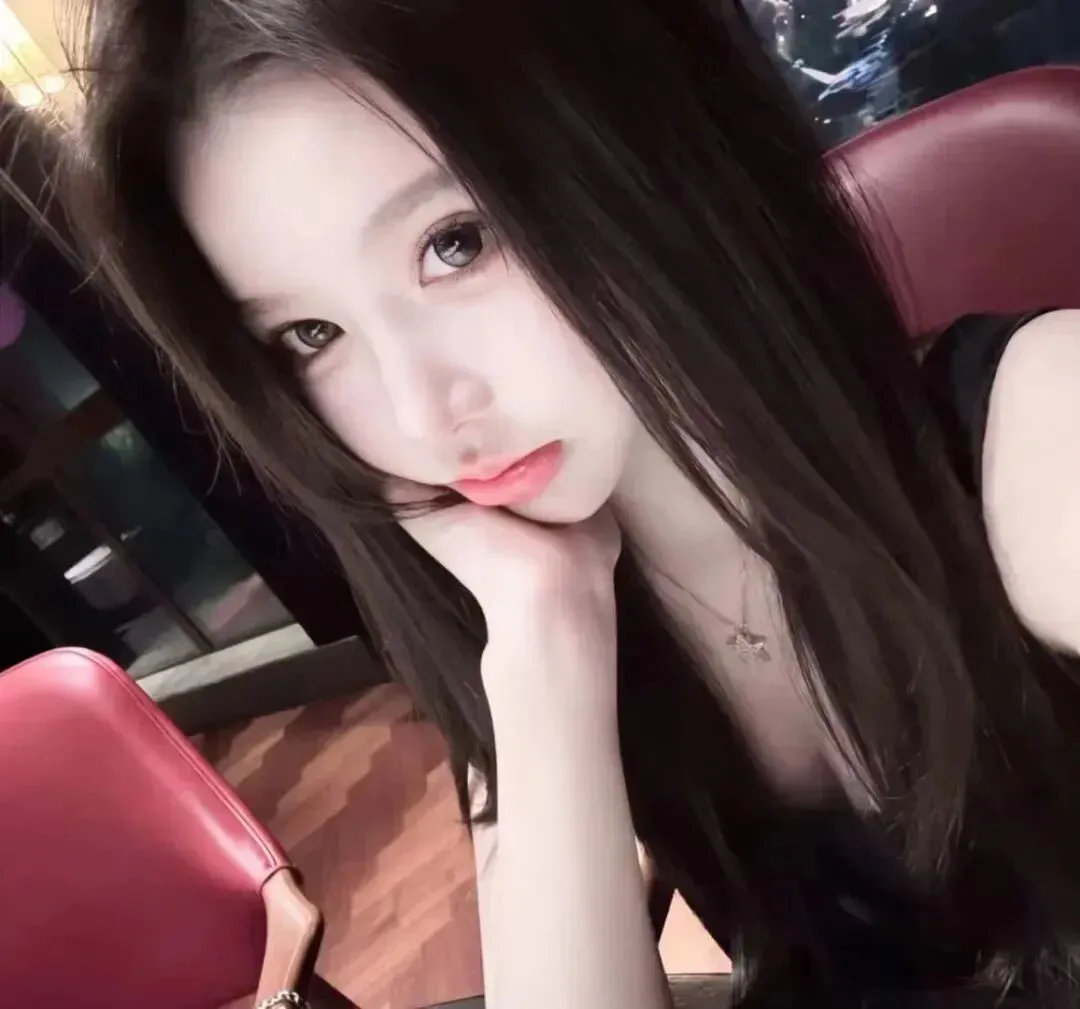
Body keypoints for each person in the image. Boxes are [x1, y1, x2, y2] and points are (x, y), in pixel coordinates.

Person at [49, 0, 1080, 1005]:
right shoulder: (529, 615)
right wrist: (544, 644)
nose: (420, 412)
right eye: (310, 336)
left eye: (455, 243)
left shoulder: (1035, 425)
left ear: (644, 147)